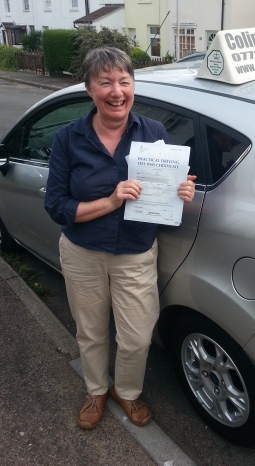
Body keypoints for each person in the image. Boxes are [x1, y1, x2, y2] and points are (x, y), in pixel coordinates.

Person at [44, 47, 195, 430]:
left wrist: (179, 194)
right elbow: (58, 206)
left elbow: (163, 197)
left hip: (135, 253)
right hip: (82, 253)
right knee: (91, 331)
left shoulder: (154, 133)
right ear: (89, 89)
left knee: (138, 337)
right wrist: (111, 200)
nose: (116, 91)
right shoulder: (68, 138)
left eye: (124, 81)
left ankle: (125, 392)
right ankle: (96, 390)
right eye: (105, 82)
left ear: (133, 86)